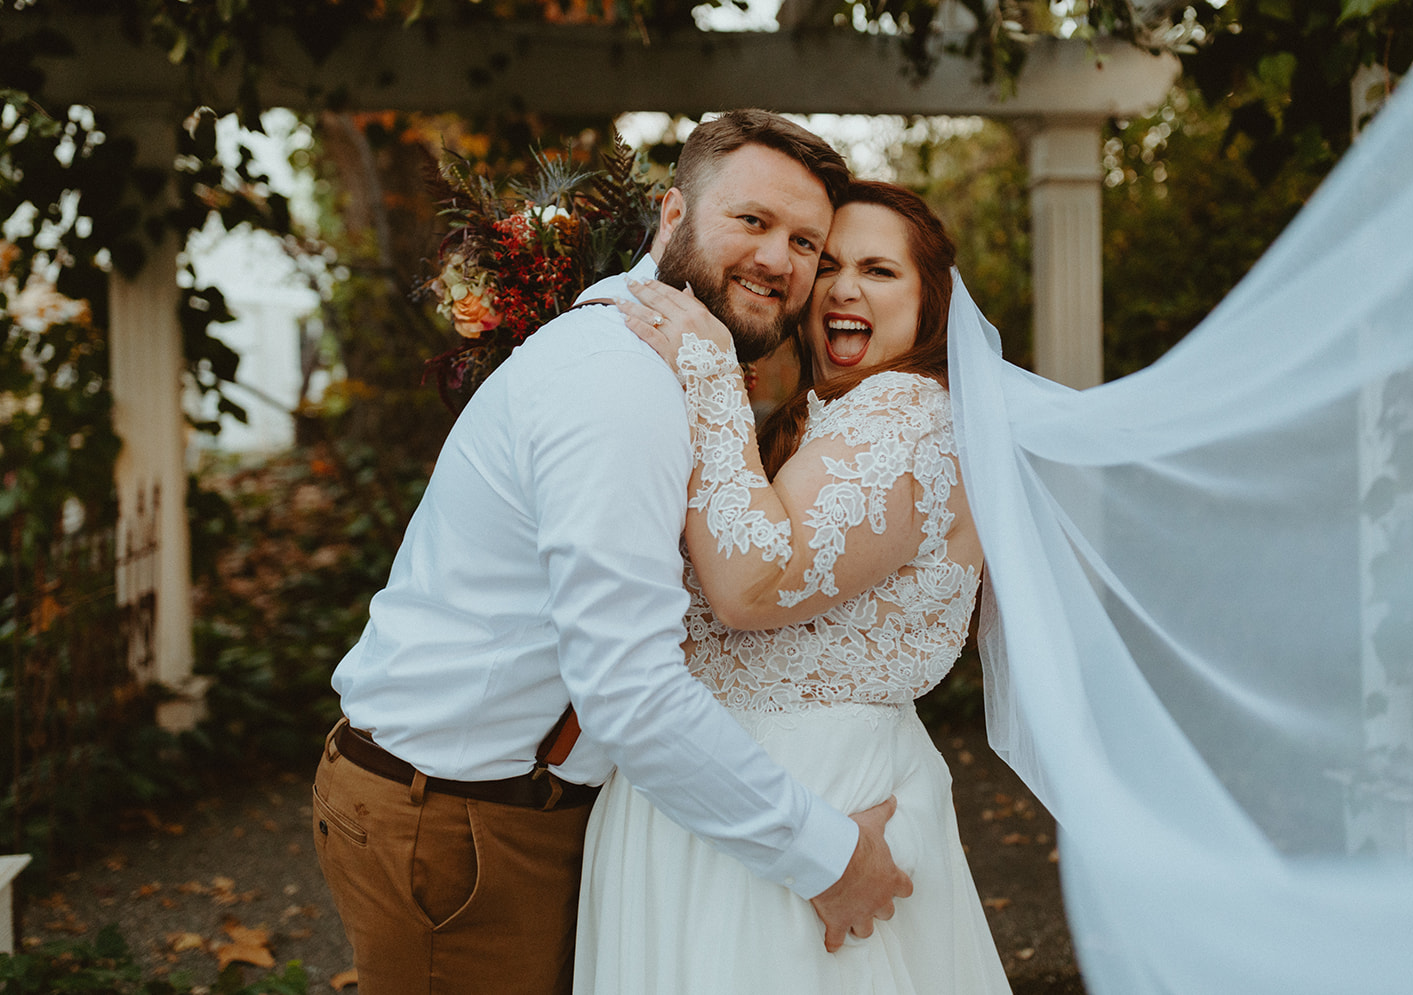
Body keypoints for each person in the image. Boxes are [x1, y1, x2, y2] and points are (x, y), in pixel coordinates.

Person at [311, 111, 912, 995]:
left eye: (805, 243)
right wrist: (826, 857)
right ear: (672, 216)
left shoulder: (670, 365)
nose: (781, 261)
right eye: (751, 221)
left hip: (503, 810)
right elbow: (630, 688)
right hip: (455, 825)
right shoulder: (618, 383)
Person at [584, 180, 1011, 993]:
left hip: (812, 796)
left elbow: (752, 584)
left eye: (880, 271)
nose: (845, 287)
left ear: (931, 305)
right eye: (833, 266)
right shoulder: (824, 418)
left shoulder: (910, 413)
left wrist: (708, 374)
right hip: (724, 789)